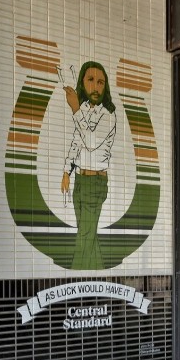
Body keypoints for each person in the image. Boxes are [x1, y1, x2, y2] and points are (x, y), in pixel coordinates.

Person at [60, 61, 117, 270]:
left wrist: (75, 108)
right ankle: (99, 279)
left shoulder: (108, 114)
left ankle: (76, 280)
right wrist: (67, 172)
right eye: (91, 80)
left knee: (84, 237)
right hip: (81, 181)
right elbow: (77, 142)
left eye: (101, 82)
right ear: (82, 84)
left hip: (95, 183)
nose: (96, 87)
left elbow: (91, 143)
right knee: (88, 235)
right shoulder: (84, 110)